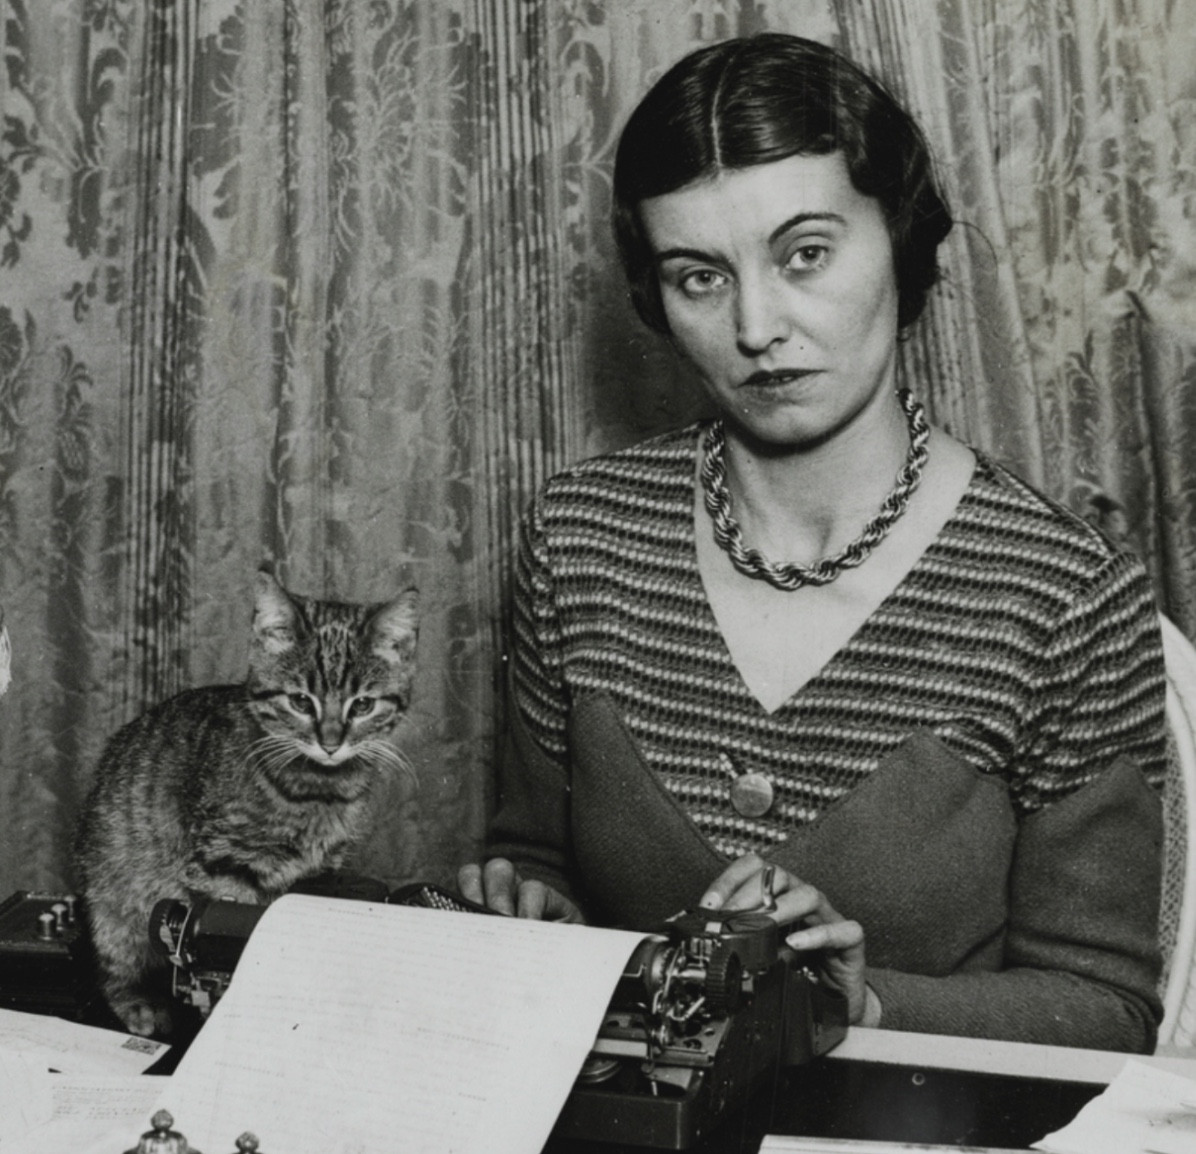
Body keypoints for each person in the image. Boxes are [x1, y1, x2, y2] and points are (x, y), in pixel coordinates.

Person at [458, 32, 1168, 1053]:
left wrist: (863, 1006)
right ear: (653, 300)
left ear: (902, 239)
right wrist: (527, 912)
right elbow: (532, 853)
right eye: (698, 276)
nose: (756, 324)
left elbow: (1103, 1009)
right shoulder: (577, 537)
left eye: (803, 254)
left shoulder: (1062, 592)